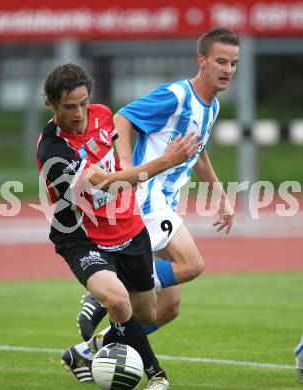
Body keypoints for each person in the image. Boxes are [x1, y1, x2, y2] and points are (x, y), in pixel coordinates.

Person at [36, 63, 201, 390]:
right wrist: (162, 163)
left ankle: (83, 353)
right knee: (118, 303)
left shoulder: (101, 114)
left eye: (83, 103)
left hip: (128, 227)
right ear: (51, 105)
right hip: (82, 236)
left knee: (148, 315)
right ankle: (157, 376)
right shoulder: (53, 149)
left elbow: (115, 154)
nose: (80, 112)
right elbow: (102, 184)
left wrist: (129, 165)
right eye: (69, 106)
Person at [77, 27, 239, 342]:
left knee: (167, 308)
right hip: (148, 198)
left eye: (233, 63)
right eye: (221, 61)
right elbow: (123, 117)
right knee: (191, 264)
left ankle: (95, 348)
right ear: (201, 60)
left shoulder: (213, 107)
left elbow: (198, 150)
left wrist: (219, 193)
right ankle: (107, 289)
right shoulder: (177, 95)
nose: (228, 70)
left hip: (166, 202)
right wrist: (126, 165)